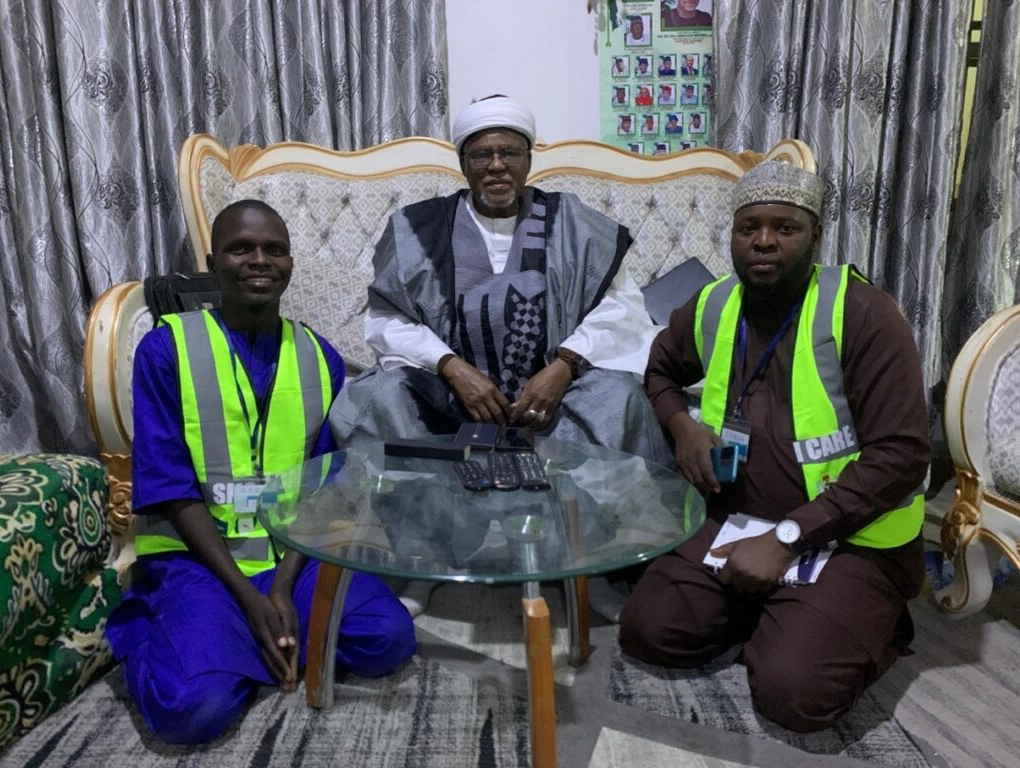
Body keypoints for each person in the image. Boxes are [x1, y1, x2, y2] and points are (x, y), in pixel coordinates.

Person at [618, 161, 929, 732]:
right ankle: (780, 610)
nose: (764, 241)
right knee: (649, 632)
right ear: (733, 235)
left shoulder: (863, 313)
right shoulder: (713, 304)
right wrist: (682, 426)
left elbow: (903, 454)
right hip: (737, 522)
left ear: (815, 236)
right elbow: (659, 372)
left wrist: (788, 538)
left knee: (794, 696)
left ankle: (871, 619)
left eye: (785, 228)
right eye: (749, 228)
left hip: (848, 538)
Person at [330, 96, 671, 617]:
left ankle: (590, 563)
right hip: (449, 400)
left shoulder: (575, 223)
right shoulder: (417, 227)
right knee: (379, 397)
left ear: (529, 159)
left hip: (550, 400)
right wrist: (451, 367)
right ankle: (426, 556)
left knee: (618, 396)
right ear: (462, 163)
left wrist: (564, 366)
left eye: (509, 153)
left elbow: (622, 307)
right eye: (481, 154)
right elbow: (386, 318)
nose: (496, 166)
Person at [106, 200, 416, 744]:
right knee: (193, 710)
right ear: (212, 263)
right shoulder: (165, 349)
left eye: (275, 249)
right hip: (199, 562)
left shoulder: (321, 356)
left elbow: (322, 488)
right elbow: (171, 488)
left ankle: (238, 645)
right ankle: (201, 636)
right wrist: (251, 602)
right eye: (240, 249)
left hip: (293, 558)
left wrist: (282, 590)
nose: (259, 260)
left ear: (290, 263)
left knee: (387, 640)